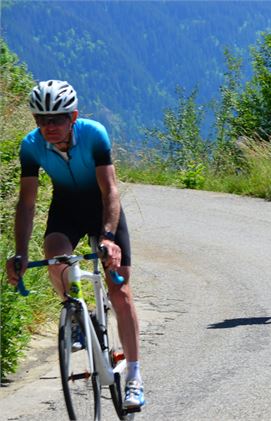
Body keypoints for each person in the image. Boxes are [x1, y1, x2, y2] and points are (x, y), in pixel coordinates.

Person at [5, 80, 145, 408]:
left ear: (73, 116)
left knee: (120, 292)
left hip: (102, 210)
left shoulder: (94, 134)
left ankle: (135, 377)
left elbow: (110, 190)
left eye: (55, 119)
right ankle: (76, 312)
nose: (47, 127)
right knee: (54, 255)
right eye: (40, 119)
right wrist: (20, 252)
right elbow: (27, 203)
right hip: (66, 210)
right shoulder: (31, 145)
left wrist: (109, 238)